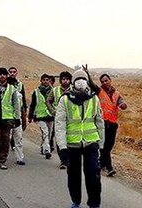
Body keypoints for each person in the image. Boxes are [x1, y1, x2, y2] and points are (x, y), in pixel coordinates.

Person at [56, 71, 104, 208]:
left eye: (84, 79)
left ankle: (94, 203)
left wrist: (101, 144)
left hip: (91, 142)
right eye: (78, 79)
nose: (81, 82)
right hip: (72, 144)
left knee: (93, 173)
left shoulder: (94, 98)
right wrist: (62, 146)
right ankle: (76, 201)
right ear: (73, 82)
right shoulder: (65, 99)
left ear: (87, 81)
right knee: (73, 175)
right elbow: (60, 125)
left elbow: (100, 122)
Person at [95, 73, 127, 177]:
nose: (104, 82)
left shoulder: (116, 93)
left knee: (109, 146)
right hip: (102, 122)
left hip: (113, 123)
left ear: (110, 80)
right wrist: (86, 73)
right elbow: (91, 85)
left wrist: (123, 105)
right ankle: (109, 168)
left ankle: (100, 163)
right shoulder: (99, 91)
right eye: (102, 81)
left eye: (106, 80)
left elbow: (122, 104)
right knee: (104, 145)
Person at [47, 70, 73, 169]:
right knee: (59, 138)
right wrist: (53, 111)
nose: (65, 81)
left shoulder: (74, 90)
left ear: (70, 80)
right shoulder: (55, 90)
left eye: (67, 79)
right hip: (58, 119)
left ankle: (69, 158)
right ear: (60, 80)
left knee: (70, 138)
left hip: (71, 119)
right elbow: (48, 101)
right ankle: (63, 160)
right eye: (63, 79)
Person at [28, 73, 55, 159]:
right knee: (45, 132)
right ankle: (47, 150)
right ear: (41, 81)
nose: (46, 81)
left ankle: (43, 146)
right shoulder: (36, 91)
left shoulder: (54, 91)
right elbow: (33, 104)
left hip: (50, 115)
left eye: (47, 80)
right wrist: (30, 116)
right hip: (40, 116)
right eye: (44, 80)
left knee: (49, 134)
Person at [7, 66, 27, 165]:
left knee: (18, 138)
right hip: (7, 116)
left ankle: (20, 158)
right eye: (10, 72)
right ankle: (0, 156)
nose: (12, 73)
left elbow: (23, 100)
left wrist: (24, 115)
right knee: (6, 138)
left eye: (14, 72)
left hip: (18, 115)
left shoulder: (20, 85)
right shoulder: (4, 86)